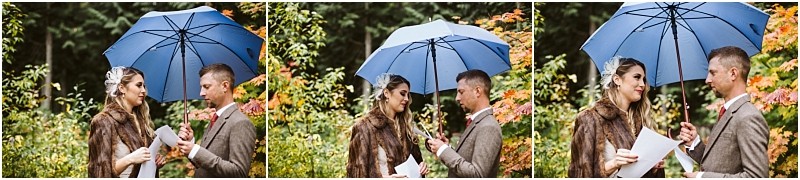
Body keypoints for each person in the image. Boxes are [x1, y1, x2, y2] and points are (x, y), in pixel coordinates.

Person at [678, 46, 768, 178]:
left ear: (733, 74)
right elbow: (718, 164)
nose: (707, 80)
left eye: (713, 73)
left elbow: (756, 177)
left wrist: (702, 177)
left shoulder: (748, 117)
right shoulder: (729, 112)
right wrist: (694, 143)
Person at [568, 57, 665, 178]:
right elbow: (580, 173)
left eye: (644, 79)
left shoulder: (641, 121)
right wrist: (614, 163)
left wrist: (652, 167)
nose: (642, 84)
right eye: (637, 77)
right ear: (617, 79)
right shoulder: (590, 118)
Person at [176, 63, 257, 177]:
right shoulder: (215, 120)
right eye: (201, 87)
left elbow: (239, 172)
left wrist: (196, 151)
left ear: (224, 86)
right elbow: (204, 167)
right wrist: (191, 144)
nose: (201, 93)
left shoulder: (241, 123)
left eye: (207, 87)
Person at [346, 73, 428, 178]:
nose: (407, 99)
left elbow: (416, 163)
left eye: (408, 95)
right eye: (402, 94)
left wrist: (421, 167)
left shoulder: (406, 128)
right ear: (386, 93)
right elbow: (356, 174)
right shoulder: (364, 127)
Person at [89, 66, 165, 177]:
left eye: (144, 86)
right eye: (139, 85)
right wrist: (130, 159)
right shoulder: (104, 121)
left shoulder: (141, 120)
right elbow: (99, 172)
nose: (144, 91)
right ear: (122, 88)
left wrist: (154, 163)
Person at [426, 69, 502, 178]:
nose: (457, 98)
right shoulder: (477, 122)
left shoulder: (488, 127)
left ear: (477, 91)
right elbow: (465, 163)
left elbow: (477, 174)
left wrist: (443, 150)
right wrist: (446, 149)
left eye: (461, 92)